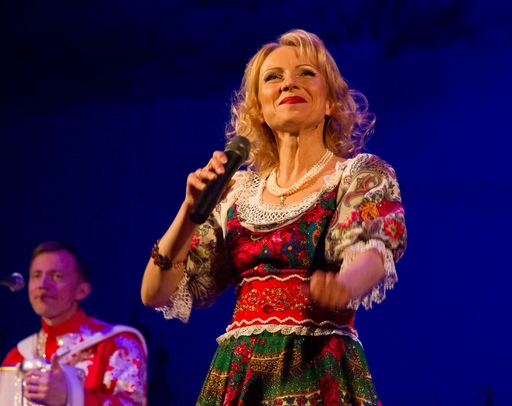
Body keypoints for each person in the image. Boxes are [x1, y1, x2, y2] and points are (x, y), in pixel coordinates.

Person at [141, 28, 407, 405]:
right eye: (273, 77)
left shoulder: (357, 176)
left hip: (318, 367)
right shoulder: (235, 191)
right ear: (260, 110)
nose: (289, 83)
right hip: (240, 377)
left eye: (306, 73)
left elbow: (372, 249)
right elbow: (154, 293)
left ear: (330, 101)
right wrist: (189, 212)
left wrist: (345, 285)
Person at [2, 241, 148, 405]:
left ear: (82, 291)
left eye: (56, 276)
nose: (42, 284)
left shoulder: (117, 344)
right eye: (36, 275)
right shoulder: (16, 357)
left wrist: (71, 398)